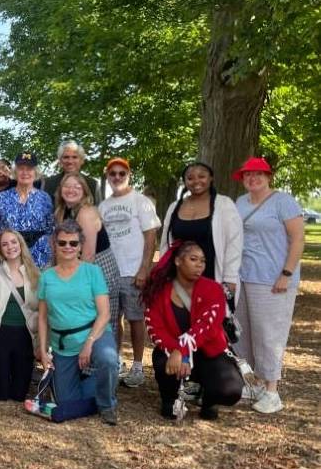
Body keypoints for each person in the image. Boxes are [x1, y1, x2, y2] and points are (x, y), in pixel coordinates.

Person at [232, 157, 305, 414]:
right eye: (248, 175)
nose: (253, 178)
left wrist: (286, 273)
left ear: (268, 176)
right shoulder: (240, 202)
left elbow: (298, 239)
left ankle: (273, 391)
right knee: (245, 333)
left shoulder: (283, 201)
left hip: (273, 279)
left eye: (258, 174)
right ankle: (256, 384)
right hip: (243, 277)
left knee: (269, 333)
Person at [143, 241, 244, 419]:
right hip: (172, 350)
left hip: (208, 351)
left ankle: (209, 399)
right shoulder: (158, 291)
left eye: (203, 261)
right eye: (193, 259)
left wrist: (182, 351)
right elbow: (155, 330)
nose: (199, 265)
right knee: (161, 360)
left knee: (230, 390)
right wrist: (176, 352)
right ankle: (170, 398)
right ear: (178, 261)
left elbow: (207, 328)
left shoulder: (213, 289)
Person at [37, 220, 119, 425]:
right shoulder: (46, 276)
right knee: (67, 402)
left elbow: (104, 314)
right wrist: (42, 350)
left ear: (80, 246)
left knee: (108, 359)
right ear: (54, 245)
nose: (68, 247)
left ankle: (107, 404)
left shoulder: (93, 272)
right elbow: (42, 317)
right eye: (62, 243)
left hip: (95, 333)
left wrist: (89, 343)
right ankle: (95, 391)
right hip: (63, 344)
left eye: (73, 243)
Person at [98, 158, 161, 388]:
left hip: (133, 271)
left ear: (129, 175)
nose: (117, 177)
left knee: (135, 319)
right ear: (107, 177)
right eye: (112, 174)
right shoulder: (103, 206)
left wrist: (144, 268)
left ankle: (136, 365)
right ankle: (115, 361)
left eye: (121, 173)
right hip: (110, 271)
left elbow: (150, 237)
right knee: (113, 320)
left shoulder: (141, 202)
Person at [53, 172, 120, 348]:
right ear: (60, 190)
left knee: (99, 315)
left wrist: (73, 284)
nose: (71, 190)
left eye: (77, 186)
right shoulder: (62, 211)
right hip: (76, 265)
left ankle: (103, 361)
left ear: (84, 191)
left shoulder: (86, 212)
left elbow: (88, 255)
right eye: (67, 186)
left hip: (98, 266)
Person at [160, 161, 242, 292]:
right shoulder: (174, 207)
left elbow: (234, 243)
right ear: (185, 182)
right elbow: (165, 243)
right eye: (190, 178)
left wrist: (230, 277)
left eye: (201, 176)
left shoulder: (224, 205)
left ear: (211, 178)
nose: (196, 181)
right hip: (178, 279)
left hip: (213, 277)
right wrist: (163, 273)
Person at [0, 230, 40, 401]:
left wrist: (41, 342)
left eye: (13, 242)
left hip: (25, 334)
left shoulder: (35, 275)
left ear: (20, 245)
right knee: (2, 394)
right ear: (0, 250)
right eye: (4, 244)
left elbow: (41, 311)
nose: (10, 247)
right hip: (0, 335)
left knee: (19, 395)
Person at [0, 152, 55, 271]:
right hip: (10, 257)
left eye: (29, 169)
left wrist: (54, 262)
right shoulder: (3, 197)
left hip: (40, 260)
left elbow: (51, 232)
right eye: (21, 168)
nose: (25, 172)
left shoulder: (45, 198)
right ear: (15, 172)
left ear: (35, 172)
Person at [43, 140, 102, 204]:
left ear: (82, 161)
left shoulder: (93, 185)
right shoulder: (47, 184)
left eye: (75, 157)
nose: (70, 161)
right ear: (60, 161)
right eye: (66, 157)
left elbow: (99, 211)